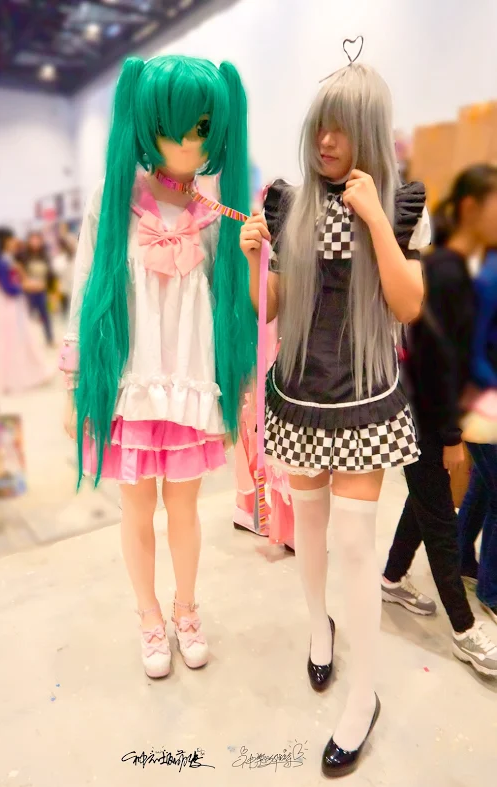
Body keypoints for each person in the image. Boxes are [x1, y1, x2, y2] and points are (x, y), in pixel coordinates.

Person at [241, 59, 428, 777]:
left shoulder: (401, 202)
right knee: (310, 530)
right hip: (300, 390)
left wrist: (374, 215)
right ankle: (318, 628)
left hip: (363, 394)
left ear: (368, 130)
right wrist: (252, 260)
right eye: (320, 124)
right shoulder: (287, 203)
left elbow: (407, 304)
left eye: (342, 127)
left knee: (355, 542)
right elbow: (271, 309)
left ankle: (364, 694)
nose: (326, 139)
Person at [60, 56, 256, 679]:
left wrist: (237, 388)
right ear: (147, 123)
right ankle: (149, 617)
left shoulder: (217, 210)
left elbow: (231, 305)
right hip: (133, 386)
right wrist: (73, 383)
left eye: (202, 127)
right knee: (137, 508)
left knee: (187, 510)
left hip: (192, 385)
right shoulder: (113, 198)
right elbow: (85, 285)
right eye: (175, 126)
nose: (189, 143)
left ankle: (186, 610)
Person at [382, 165, 497, 678]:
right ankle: (464, 630)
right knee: (442, 523)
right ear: (470, 209)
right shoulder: (446, 270)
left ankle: (391, 578)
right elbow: (436, 357)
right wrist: (451, 435)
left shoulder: (454, 264)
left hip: (423, 407)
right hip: (425, 412)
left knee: (424, 498)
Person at [458, 246, 497, 624]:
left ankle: (462, 560)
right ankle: (490, 590)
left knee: (484, 487)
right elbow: (473, 351)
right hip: (481, 401)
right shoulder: (489, 277)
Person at [0, 228, 51, 394]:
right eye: (11, 239)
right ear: (5, 241)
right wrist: (26, 287)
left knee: (21, 338)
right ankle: (15, 377)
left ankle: (27, 372)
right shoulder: (2, 261)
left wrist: (24, 284)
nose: (14, 242)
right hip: (9, 306)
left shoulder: (8, 259)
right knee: (13, 339)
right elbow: (8, 288)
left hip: (14, 304)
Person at [23, 232, 54, 345]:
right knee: (27, 316)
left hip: (42, 290)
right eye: (32, 240)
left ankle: (49, 339)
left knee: (45, 315)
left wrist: (50, 290)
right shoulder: (24, 256)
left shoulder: (45, 256)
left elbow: (50, 275)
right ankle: (27, 341)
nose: (35, 242)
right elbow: (20, 273)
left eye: (37, 240)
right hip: (28, 291)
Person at [52, 235, 75, 316]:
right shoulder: (61, 258)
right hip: (64, 287)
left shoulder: (62, 259)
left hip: (67, 287)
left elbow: (57, 270)